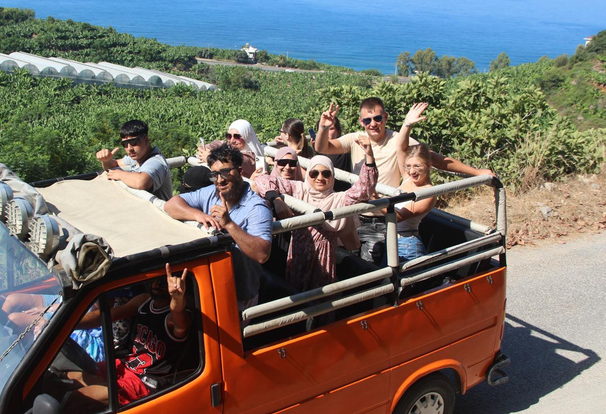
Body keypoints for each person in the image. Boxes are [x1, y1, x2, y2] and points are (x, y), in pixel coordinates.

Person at [314, 98, 494, 264]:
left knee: (374, 269)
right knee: (350, 263)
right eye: (367, 120)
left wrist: (477, 172)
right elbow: (322, 147)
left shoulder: (396, 140)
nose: (373, 124)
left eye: (377, 118)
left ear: (385, 117)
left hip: (382, 218)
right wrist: (323, 127)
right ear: (361, 122)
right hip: (355, 216)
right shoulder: (355, 139)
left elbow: (433, 159)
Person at [254, 139, 378, 292]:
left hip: (324, 256)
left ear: (332, 176)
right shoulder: (298, 189)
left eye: (326, 173)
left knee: (321, 296)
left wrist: (369, 157)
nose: (320, 178)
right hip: (298, 254)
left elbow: (365, 189)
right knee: (297, 296)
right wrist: (276, 198)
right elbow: (262, 179)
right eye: (314, 173)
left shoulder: (339, 198)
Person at [65, 264, 193, 408]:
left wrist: (177, 298)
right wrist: (66, 323)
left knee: (76, 399)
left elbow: (180, 322)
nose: (157, 284)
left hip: (145, 382)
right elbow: (104, 317)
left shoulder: (173, 317)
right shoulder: (144, 301)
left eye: (164, 281)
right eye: (156, 279)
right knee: (69, 377)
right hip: (125, 366)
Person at [165, 143, 272, 310]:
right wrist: (198, 215)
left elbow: (262, 254)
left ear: (240, 172)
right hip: (209, 288)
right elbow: (171, 205)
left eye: (225, 172)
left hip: (238, 295)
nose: (220, 180)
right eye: (214, 175)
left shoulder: (256, 208)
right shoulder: (210, 192)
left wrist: (229, 224)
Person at [389, 102, 437, 263]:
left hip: (408, 246)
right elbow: (400, 148)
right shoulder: (408, 178)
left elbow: (399, 217)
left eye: (417, 166)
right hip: (392, 241)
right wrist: (407, 124)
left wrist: (373, 198)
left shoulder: (428, 192)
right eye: (408, 166)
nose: (412, 171)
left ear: (428, 166)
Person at [96, 119, 172, 201]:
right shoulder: (136, 158)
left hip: (155, 212)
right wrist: (106, 160)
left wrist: (120, 175)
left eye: (134, 142)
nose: (129, 149)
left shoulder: (156, 162)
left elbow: (141, 182)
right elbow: (113, 166)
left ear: (146, 141)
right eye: (125, 144)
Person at [196, 119, 265, 178]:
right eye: (229, 136)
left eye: (237, 136)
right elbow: (216, 144)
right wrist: (205, 149)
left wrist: (209, 157)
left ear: (247, 137)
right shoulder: (229, 146)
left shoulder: (250, 158)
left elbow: (229, 161)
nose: (232, 140)